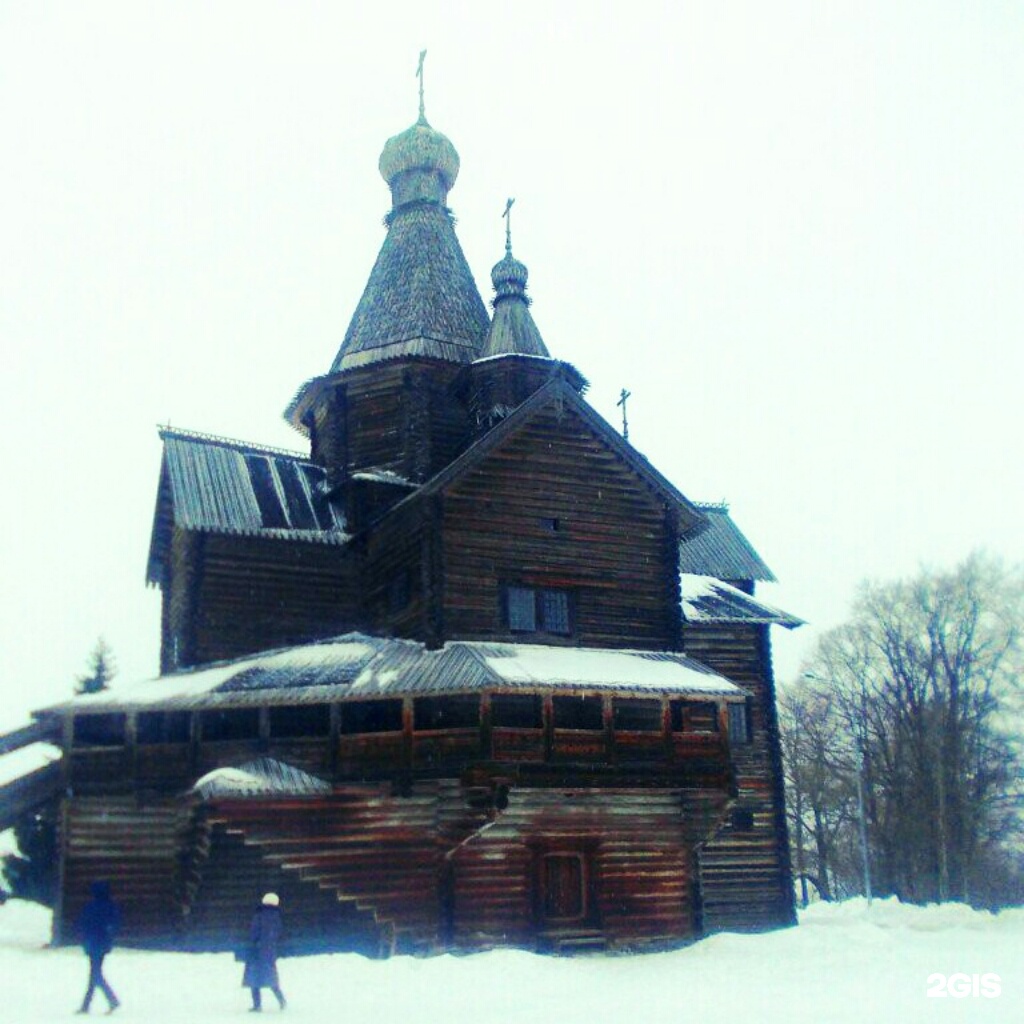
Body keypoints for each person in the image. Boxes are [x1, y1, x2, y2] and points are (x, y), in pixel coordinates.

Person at [75, 880, 121, 1014]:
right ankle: (86, 1006)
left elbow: (83, 924)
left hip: (93, 943)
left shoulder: (91, 906)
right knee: (95, 974)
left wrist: (84, 938)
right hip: (103, 943)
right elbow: (115, 923)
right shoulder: (111, 906)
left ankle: (112, 1000)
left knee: (95, 974)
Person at [243, 892, 286, 1012]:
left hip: (256, 951)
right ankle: (281, 1000)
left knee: (254, 979)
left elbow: (253, 932)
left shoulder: (259, 915)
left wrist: (252, 944)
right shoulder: (277, 917)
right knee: (271, 977)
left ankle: (257, 1005)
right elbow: (278, 934)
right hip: (270, 951)